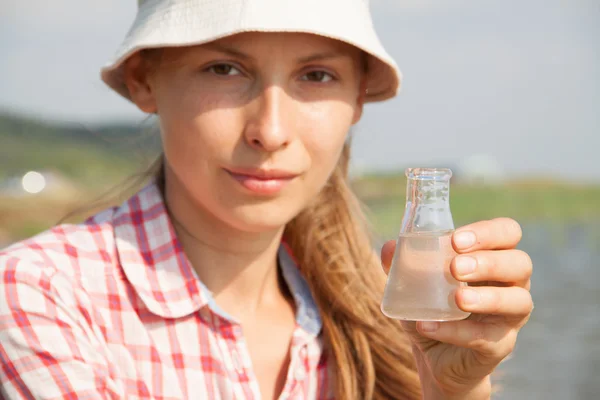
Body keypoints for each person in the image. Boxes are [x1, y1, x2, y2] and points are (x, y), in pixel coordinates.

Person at [0, 0, 533, 399]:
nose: (271, 131)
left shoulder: (381, 325)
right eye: (224, 69)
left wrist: (453, 392)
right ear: (145, 79)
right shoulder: (38, 296)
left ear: (357, 99)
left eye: (316, 75)